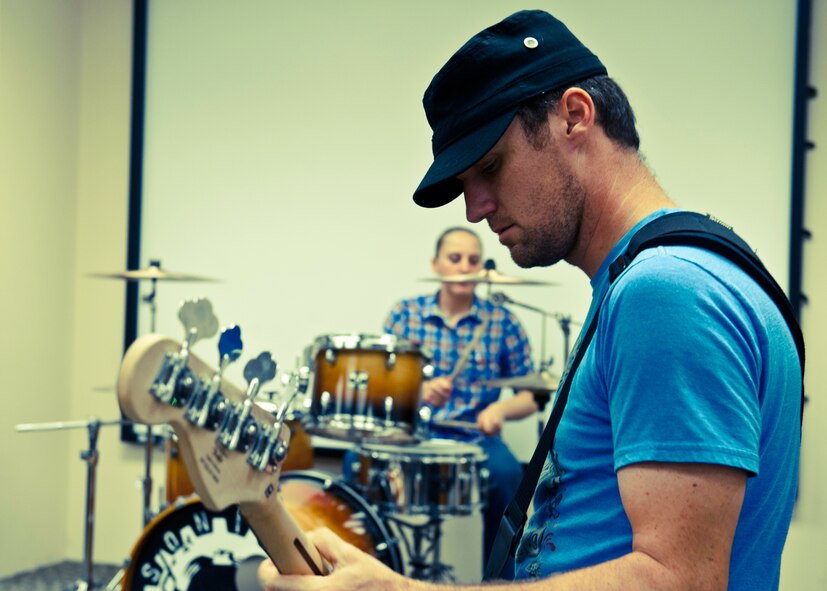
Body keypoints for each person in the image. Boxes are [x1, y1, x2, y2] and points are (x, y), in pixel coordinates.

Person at [259, 9, 803, 591]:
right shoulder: (669, 277)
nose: (474, 208)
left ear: (574, 116)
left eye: (490, 167)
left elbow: (679, 580)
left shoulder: (666, 293)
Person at [383, 226, 539, 563]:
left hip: (476, 440)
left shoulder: (502, 321)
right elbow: (384, 389)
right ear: (436, 264)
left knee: (508, 474)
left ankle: (495, 578)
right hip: (415, 434)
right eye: (455, 259)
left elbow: (531, 396)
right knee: (360, 464)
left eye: (473, 260)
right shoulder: (405, 315)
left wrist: (501, 412)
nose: (465, 267)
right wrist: (420, 391)